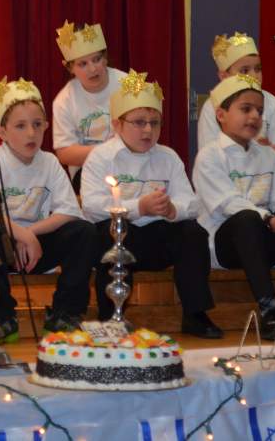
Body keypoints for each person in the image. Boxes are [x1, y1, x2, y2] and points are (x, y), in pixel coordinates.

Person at [82, 69, 223, 339]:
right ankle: (111, 317)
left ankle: (195, 314)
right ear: (117, 125)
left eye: (154, 123)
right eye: (139, 122)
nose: (148, 130)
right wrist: (139, 207)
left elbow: (192, 204)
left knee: (193, 233)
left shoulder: (168, 157)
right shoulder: (100, 158)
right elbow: (91, 205)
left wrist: (173, 209)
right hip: (121, 235)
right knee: (106, 235)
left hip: (159, 238)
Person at [0, 77, 99, 338]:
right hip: (3, 247)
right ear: (1, 132)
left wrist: (31, 235)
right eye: (21, 126)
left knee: (84, 232)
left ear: (46, 126)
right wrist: (20, 235)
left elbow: (68, 211)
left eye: (37, 124)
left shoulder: (49, 162)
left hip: (37, 248)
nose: (31, 133)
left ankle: (64, 313)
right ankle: (1, 316)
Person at [193, 73, 275, 335]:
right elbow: (228, 204)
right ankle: (268, 309)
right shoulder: (209, 156)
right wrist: (272, 221)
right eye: (245, 109)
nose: (254, 117)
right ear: (221, 115)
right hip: (227, 245)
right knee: (247, 219)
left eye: (259, 111)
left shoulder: (269, 155)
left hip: (266, 238)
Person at [51, 20, 127, 190]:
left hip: (129, 163)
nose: (93, 69)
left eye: (96, 59)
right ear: (70, 68)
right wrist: (108, 150)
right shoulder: (64, 101)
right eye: (83, 64)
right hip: (87, 171)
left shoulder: (127, 84)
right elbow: (64, 153)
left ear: (105, 58)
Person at [196, 32, 275, 157]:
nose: (254, 76)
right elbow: (208, 153)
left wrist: (267, 151)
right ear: (224, 76)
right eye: (245, 71)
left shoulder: (272, 103)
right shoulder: (211, 107)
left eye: (257, 69)